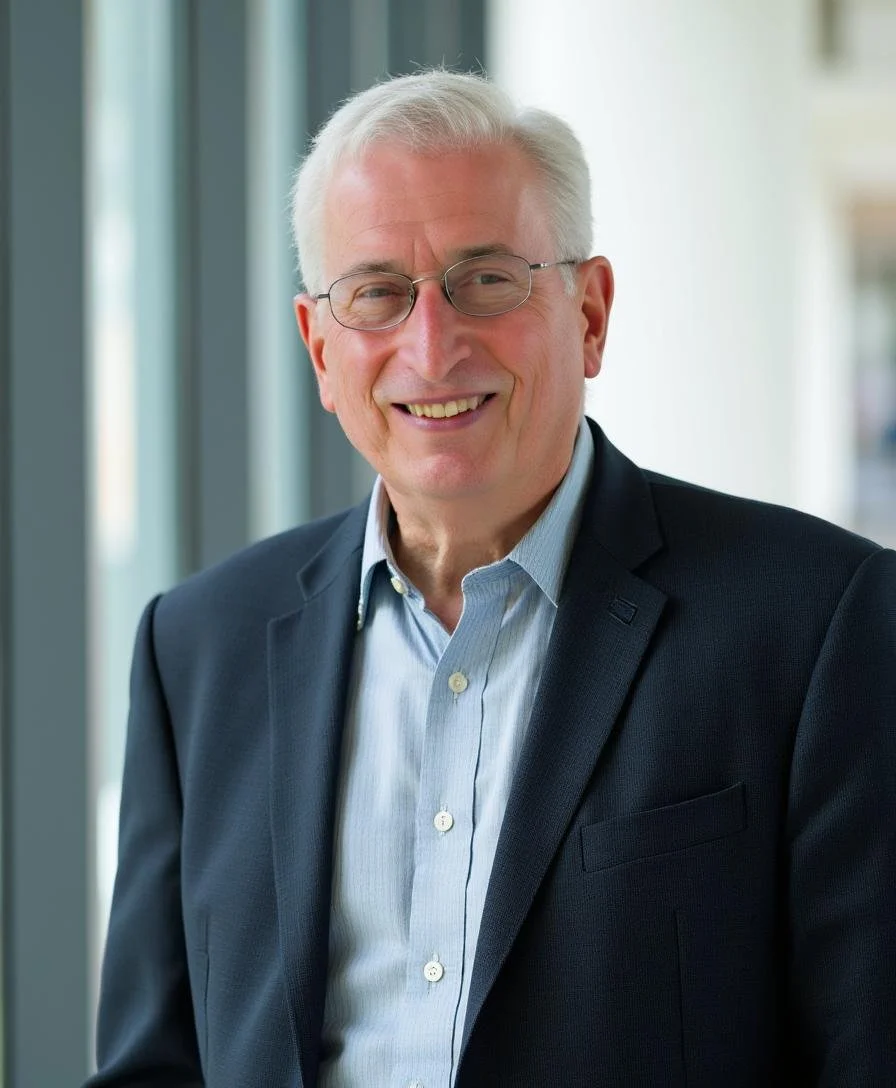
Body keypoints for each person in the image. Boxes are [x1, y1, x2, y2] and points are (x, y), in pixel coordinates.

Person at [86, 70, 896, 1088]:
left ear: (589, 312)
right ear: (318, 346)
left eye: (486, 279)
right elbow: (152, 1064)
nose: (432, 346)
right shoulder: (195, 645)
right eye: (377, 292)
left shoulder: (816, 620)